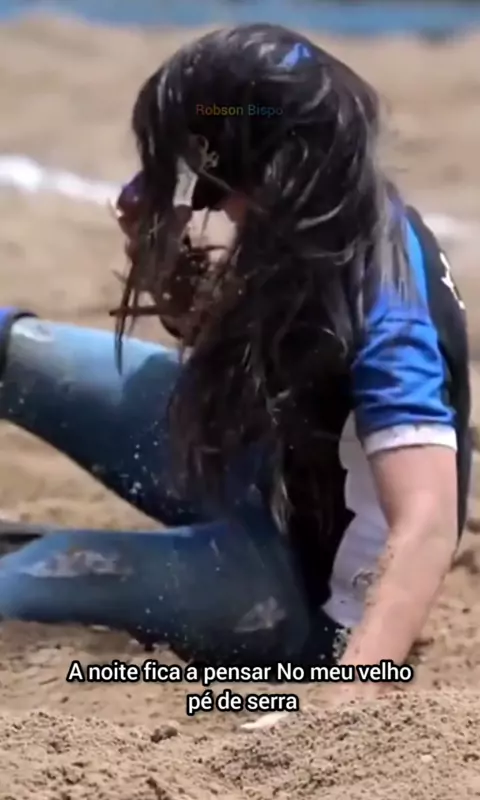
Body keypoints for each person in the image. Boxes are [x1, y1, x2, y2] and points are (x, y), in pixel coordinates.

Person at [0, 24, 470, 712]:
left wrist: (349, 699)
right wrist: (169, 274)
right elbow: (288, 375)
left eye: (209, 181)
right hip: (264, 467)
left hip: (298, 590)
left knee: (39, 573)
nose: (207, 199)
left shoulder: (386, 302)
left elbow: (427, 518)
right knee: (18, 348)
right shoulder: (320, 210)